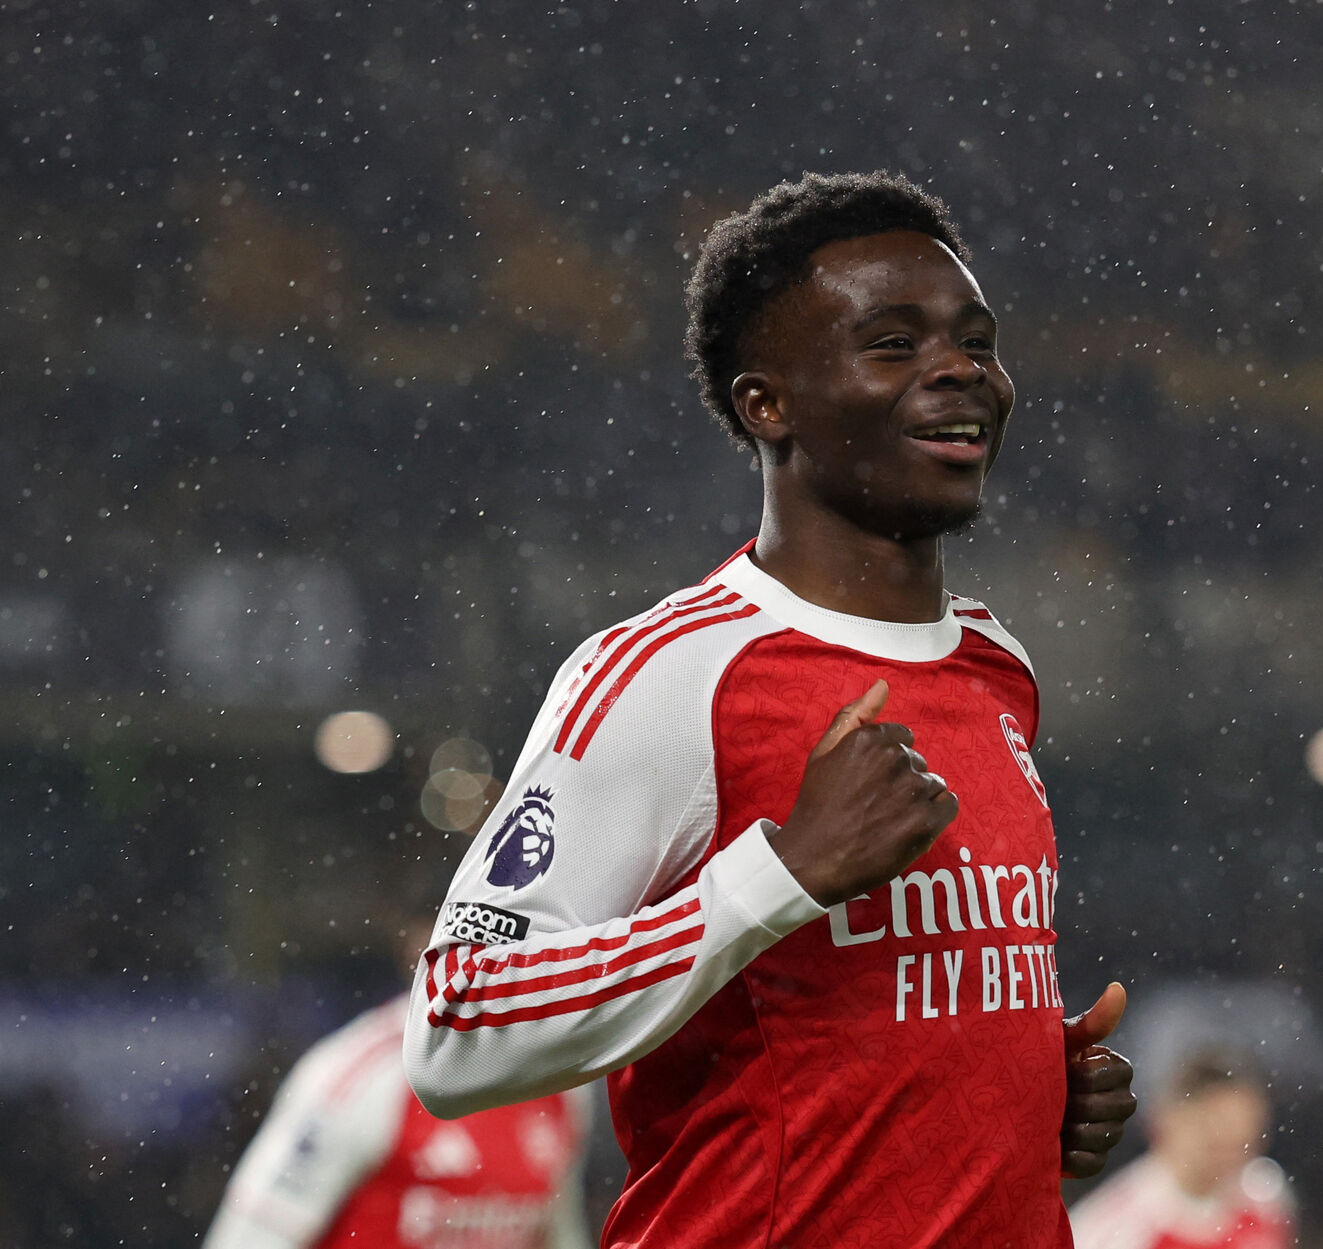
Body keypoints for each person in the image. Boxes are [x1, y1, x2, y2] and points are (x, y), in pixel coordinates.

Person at [403, 171, 1135, 1247]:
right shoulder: (671, 672)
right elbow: (458, 1027)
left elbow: (856, 1018)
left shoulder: (997, 664)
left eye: (976, 342)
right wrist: (780, 872)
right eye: (894, 343)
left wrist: (1010, 1091)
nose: (960, 370)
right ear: (768, 405)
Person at [206, 920, 595, 1249]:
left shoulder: (561, 1082)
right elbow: (252, 1236)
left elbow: (559, 1233)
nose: (486, 960)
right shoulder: (357, 1074)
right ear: (421, 946)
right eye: (473, 939)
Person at [1068, 1047, 1296, 1249]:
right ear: (1169, 1121)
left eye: (1246, 1138)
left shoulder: (1267, 1197)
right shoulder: (1114, 1233)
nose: (1233, 1150)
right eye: (1218, 1129)